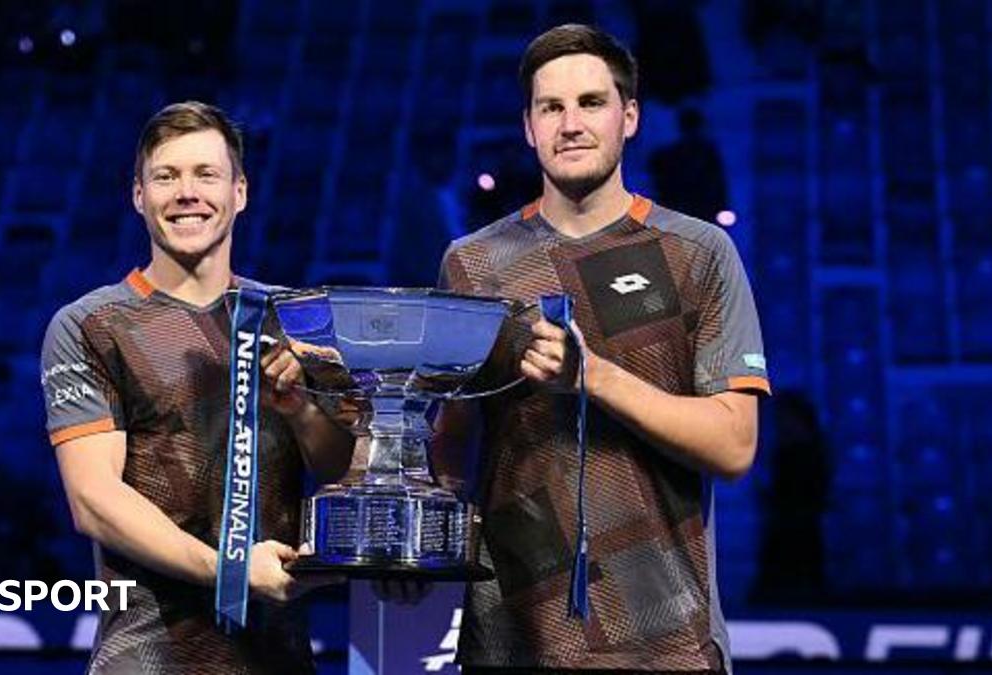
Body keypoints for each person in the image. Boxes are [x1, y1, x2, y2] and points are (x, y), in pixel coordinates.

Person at [434, 25, 771, 674]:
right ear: (529, 127)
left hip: (665, 644)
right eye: (550, 107)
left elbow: (735, 445)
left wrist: (593, 376)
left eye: (592, 103)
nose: (571, 123)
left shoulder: (697, 253)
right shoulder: (473, 264)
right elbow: (451, 448)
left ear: (630, 117)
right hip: (511, 643)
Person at [40, 101, 351, 673]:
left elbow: (345, 475)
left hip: (276, 656)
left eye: (206, 174)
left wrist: (304, 409)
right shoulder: (90, 325)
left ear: (240, 192)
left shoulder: (296, 321)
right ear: (138, 196)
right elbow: (94, 502)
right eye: (167, 176)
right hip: (146, 655)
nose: (187, 193)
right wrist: (230, 572)